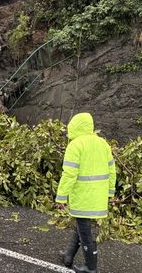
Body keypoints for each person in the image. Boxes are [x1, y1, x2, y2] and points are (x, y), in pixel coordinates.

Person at [55, 112, 116, 273]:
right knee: (81, 226)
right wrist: (110, 193)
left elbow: (69, 174)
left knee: (85, 233)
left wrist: (61, 197)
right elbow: (112, 170)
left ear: (73, 126)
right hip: (98, 196)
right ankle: (68, 256)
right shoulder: (103, 143)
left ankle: (91, 268)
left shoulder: (75, 145)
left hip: (83, 196)